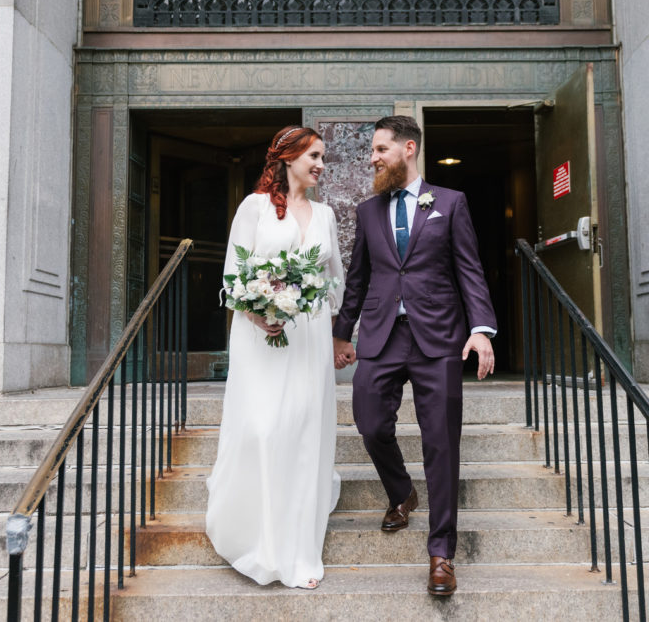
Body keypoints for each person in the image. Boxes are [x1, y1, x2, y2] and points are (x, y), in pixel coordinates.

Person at [332, 115, 497, 596]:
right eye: (372, 151)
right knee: (370, 422)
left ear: (409, 149)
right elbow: (358, 277)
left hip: (438, 338)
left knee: (441, 443)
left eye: (381, 149)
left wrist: (481, 330)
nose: (373, 158)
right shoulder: (367, 211)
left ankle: (441, 552)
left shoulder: (451, 203)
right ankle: (401, 490)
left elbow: (470, 269)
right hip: (381, 337)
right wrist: (344, 334)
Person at [205, 126, 344, 589]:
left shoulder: (325, 215)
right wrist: (257, 311)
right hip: (259, 337)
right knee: (265, 429)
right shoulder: (255, 208)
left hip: (311, 339)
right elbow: (231, 278)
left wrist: (338, 335)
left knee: (304, 432)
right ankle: (258, 537)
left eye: (323, 156)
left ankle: (299, 549)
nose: (322, 164)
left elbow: (335, 283)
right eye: (315, 156)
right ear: (288, 158)